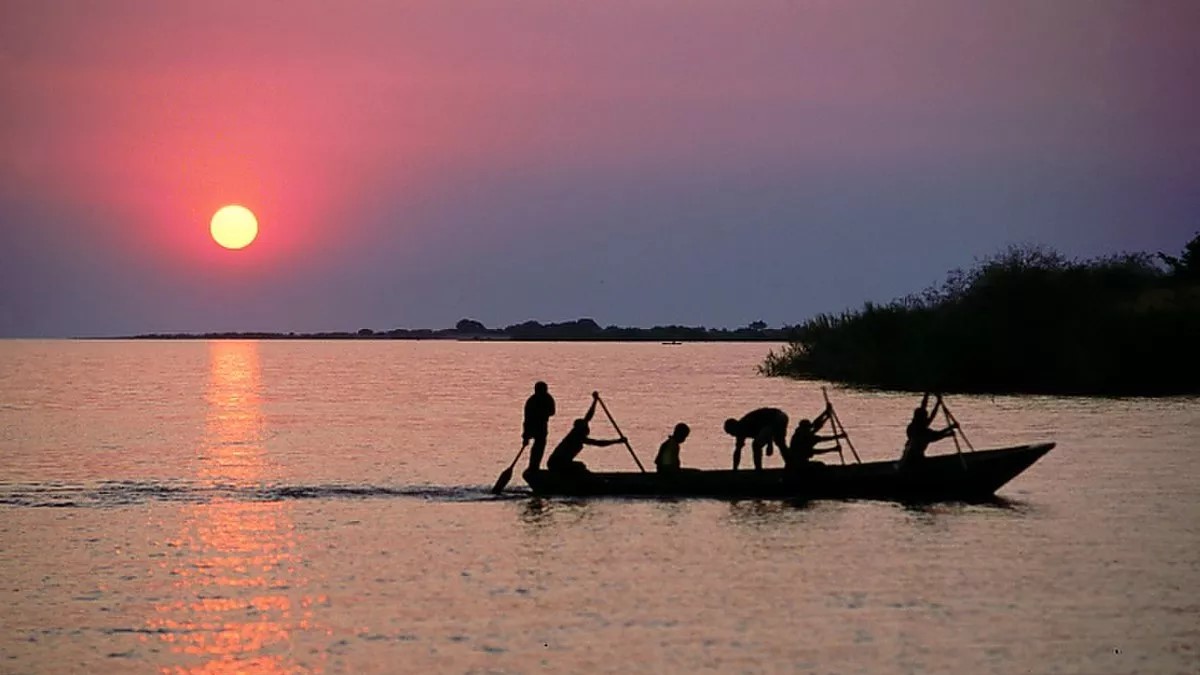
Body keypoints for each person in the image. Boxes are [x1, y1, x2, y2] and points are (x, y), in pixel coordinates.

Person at [546, 394, 627, 474]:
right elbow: (599, 443)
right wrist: (617, 441)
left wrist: (595, 401)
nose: (587, 429)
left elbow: (588, 417)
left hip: (558, 463)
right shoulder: (577, 436)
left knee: (580, 466)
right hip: (556, 464)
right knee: (580, 467)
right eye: (586, 427)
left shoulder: (576, 433)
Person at [899, 393, 957, 470]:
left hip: (908, 458)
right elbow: (936, 435)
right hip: (914, 460)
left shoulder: (912, 426)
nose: (927, 418)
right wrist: (950, 429)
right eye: (925, 417)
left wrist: (929, 396)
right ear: (922, 419)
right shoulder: (920, 431)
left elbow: (925, 408)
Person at [723, 407, 789, 470]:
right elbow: (738, 450)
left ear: (734, 427)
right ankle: (791, 464)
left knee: (756, 445)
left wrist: (769, 445)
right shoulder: (740, 432)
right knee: (780, 444)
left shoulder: (746, 424)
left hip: (776, 418)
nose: (732, 435)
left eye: (731, 433)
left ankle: (758, 470)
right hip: (780, 417)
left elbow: (765, 425)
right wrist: (734, 469)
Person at [784, 403, 846, 468]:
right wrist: (834, 446)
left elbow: (816, 425)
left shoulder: (803, 433)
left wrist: (825, 414)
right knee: (820, 466)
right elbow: (819, 446)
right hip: (798, 464)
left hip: (798, 462)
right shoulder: (803, 437)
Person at [522, 381, 556, 473]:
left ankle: (534, 466)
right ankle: (533, 466)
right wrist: (525, 435)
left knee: (539, 446)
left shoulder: (547, 398)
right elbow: (527, 418)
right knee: (538, 446)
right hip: (533, 425)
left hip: (542, 426)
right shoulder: (531, 401)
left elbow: (552, 412)